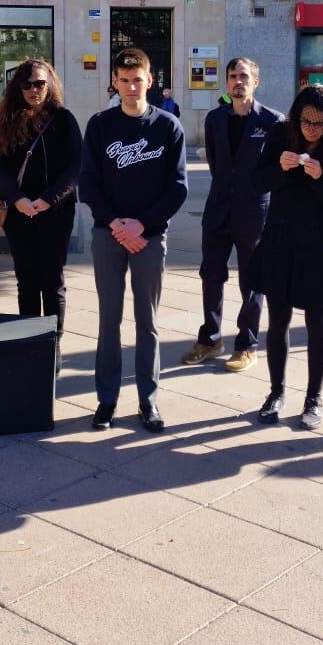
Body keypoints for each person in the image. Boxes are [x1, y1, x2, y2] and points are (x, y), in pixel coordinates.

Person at [79, 48, 188, 431]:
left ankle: (148, 400)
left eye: (136, 79)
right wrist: (116, 224)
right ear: (114, 81)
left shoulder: (168, 127)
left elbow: (177, 189)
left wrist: (141, 225)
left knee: (148, 322)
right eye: (123, 80)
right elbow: (88, 183)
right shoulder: (100, 125)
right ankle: (106, 400)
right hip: (108, 236)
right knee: (109, 320)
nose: (130, 87)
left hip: (149, 239)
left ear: (150, 80)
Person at [246, 85, 323, 429]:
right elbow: (257, 183)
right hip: (281, 242)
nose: (311, 129)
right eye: (306, 121)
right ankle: (276, 392)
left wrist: (321, 178)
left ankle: (314, 397)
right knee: (277, 322)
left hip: (321, 247)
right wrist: (280, 167)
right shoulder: (281, 133)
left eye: (319, 123)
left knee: (317, 325)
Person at [182, 57, 285, 372]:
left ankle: (247, 344)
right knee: (210, 276)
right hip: (218, 209)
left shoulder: (273, 122)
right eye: (232, 76)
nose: (238, 82)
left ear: (256, 81)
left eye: (244, 76)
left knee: (251, 282)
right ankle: (210, 339)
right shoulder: (215, 119)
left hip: (254, 212)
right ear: (226, 83)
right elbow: (216, 163)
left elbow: (276, 171)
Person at [0, 59, 83, 337]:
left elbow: (77, 164)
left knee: (52, 280)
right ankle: (29, 343)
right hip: (18, 213)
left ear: (49, 84)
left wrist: (49, 199)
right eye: (26, 84)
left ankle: (52, 345)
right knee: (26, 280)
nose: (33, 89)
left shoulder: (64, 120)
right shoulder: (6, 121)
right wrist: (17, 198)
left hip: (56, 212)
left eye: (39, 83)